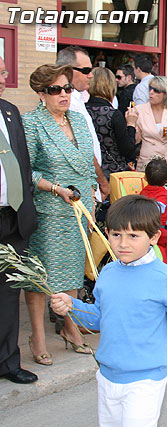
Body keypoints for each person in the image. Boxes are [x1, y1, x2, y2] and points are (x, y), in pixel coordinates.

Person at [49, 194, 167, 427]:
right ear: (108, 235)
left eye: (133, 236)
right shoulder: (107, 273)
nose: (123, 244)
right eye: (116, 235)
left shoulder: (166, 277)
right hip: (107, 376)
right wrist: (71, 306)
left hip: (145, 381)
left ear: (154, 237)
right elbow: (99, 319)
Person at [23, 63, 97, 364]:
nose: (65, 94)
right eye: (56, 90)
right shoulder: (31, 123)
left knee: (72, 272)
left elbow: (88, 165)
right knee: (42, 275)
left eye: (68, 88)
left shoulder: (79, 120)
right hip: (49, 208)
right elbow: (24, 170)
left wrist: (92, 192)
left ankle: (70, 327)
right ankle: (38, 335)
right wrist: (55, 188)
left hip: (79, 208)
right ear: (42, 94)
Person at [0, 56, 39, 385]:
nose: (5, 76)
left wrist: (26, 204)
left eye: (4, 71)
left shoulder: (10, 112)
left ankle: (8, 361)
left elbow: (22, 162)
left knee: (8, 293)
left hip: (12, 217)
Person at [56, 46, 107, 200]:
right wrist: (102, 182)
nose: (91, 75)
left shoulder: (78, 98)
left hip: (86, 186)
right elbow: (83, 150)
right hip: (76, 189)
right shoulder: (66, 103)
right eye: (85, 70)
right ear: (67, 71)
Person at [86, 67, 138, 177]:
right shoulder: (113, 114)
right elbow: (128, 150)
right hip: (112, 173)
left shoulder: (82, 111)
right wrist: (131, 125)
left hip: (87, 171)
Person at [134, 76, 167, 171]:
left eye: (156, 90)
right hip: (145, 164)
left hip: (164, 165)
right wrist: (131, 123)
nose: (151, 92)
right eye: (150, 89)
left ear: (166, 94)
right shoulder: (139, 110)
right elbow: (135, 140)